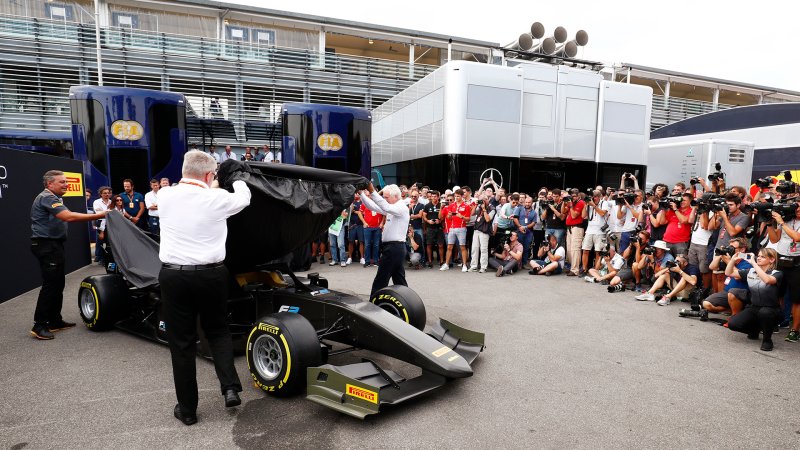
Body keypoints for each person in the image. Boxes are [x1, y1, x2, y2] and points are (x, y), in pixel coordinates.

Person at [158, 151, 251, 425]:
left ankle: (187, 410)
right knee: (218, 331)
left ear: (184, 170)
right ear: (211, 176)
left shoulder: (164, 196)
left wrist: (210, 180)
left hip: (174, 276)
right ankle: (230, 387)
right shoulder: (217, 198)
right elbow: (244, 197)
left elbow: (189, 187)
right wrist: (236, 177)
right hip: (212, 275)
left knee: (182, 344)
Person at [29, 170, 108, 340]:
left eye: (66, 181)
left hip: (53, 245)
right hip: (46, 245)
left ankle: (54, 320)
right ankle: (39, 324)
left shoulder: (55, 198)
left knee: (58, 283)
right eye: (62, 182)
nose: (66, 184)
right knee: (51, 285)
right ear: (50, 184)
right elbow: (68, 217)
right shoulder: (47, 197)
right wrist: (101, 215)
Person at [725, 249, 783, 351]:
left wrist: (754, 263)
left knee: (765, 313)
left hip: (771, 309)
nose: (759, 258)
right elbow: (728, 272)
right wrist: (732, 260)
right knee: (733, 324)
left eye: (763, 257)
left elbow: (767, 280)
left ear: (772, 259)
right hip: (754, 307)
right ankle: (754, 329)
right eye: (758, 256)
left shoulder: (777, 273)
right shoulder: (751, 271)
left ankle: (767, 340)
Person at [359, 183, 410, 297]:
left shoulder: (400, 207)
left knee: (381, 279)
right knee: (399, 279)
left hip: (394, 248)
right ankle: (407, 302)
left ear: (395, 196)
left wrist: (372, 192)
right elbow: (373, 206)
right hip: (394, 248)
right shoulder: (393, 207)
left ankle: (373, 305)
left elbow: (384, 206)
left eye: (386, 197)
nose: (384, 199)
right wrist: (362, 194)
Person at [766, 206, 800, 342]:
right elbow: (774, 239)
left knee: (797, 299)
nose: (798, 209)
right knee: (776, 293)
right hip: (781, 258)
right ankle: (777, 321)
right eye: (796, 207)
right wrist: (769, 223)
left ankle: (795, 330)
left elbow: (797, 237)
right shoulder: (786, 219)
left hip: (797, 261)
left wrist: (781, 223)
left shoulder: (783, 221)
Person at [635, 254, 700, 305]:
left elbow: (693, 282)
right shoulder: (675, 267)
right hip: (677, 290)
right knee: (665, 275)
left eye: (678, 262)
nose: (676, 263)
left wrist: (680, 271)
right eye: (675, 261)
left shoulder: (692, 268)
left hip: (687, 293)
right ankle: (650, 293)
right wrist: (669, 268)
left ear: (685, 263)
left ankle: (668, 297)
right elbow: (656, 275)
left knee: (684, 278)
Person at [439, 189, 471, 272]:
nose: (456, 198)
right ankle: (446, 264)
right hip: (452, 228)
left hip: (461, 228)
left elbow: (468, 219)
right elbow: (448, 217)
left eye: (458, 196)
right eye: (455, 196)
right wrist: (449, 215)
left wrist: (462, 217)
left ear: (462, 196)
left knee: (462, 247)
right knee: (449, 247)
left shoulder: (466, 206)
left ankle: (464, 265)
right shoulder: (452, 205)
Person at [581, 190, 610, 275]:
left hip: (600, 232)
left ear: (599, 197)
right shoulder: (589, 204)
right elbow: (583, 216)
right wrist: (586, 205)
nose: (594, 198)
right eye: (593, 197)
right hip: (589, 230)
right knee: (585, 250)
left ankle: (596, 271)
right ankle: (584, 269)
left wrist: (593, 205)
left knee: (598, 252)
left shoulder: (604, 203)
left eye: (595, 197)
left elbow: (602, 213)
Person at [469, 192, 495, 273]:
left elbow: (488, 219)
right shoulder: (479, 206)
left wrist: (484, 209)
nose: (481, 202)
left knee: (483, 249)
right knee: (474, 249)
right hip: (477, 229)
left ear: (487, 200)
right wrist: (476, 205)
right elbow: (472, 214)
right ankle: (473, 266)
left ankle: (483, 267)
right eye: (480, 200)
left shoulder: (492, 208)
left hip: (484, 231)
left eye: (482, 200)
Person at [422, 190, 445, 268]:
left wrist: (440, 220)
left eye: (435, 196)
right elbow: (424, 216)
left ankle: (442, 261)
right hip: (430, 228)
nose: (433, 198)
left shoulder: (441, 205)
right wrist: (428, 221)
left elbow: (443, 216)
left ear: (438, 197)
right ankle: (430, 261)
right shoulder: (427, 205)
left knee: (441, 245)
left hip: (439, 228)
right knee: (429, 244)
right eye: (432, 196)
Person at [91, 186, 112, 263]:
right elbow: (100, 215)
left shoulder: (111, 202)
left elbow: (112, 213)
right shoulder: (96, 202)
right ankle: (99, 257)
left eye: (108, 193)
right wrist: (102, 231)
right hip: (100, 224)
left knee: (109, 242)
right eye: (105, 193)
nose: (107, 194)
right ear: (101, 194)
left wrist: (106, 212)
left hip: (110, 225)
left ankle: (106, 258)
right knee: (100, 241)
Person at [347, 192, 365, 265]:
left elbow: (364, 212)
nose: (357, 195)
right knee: (351, 241)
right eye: (355, 193)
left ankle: (362, 258)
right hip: (352, 225)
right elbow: (348, 213)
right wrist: (352, 209)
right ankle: (350, 258)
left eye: (358, 193)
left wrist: (358, 212)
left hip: (360, 225)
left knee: (361, 241)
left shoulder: (363, 202)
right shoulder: (351, 202)